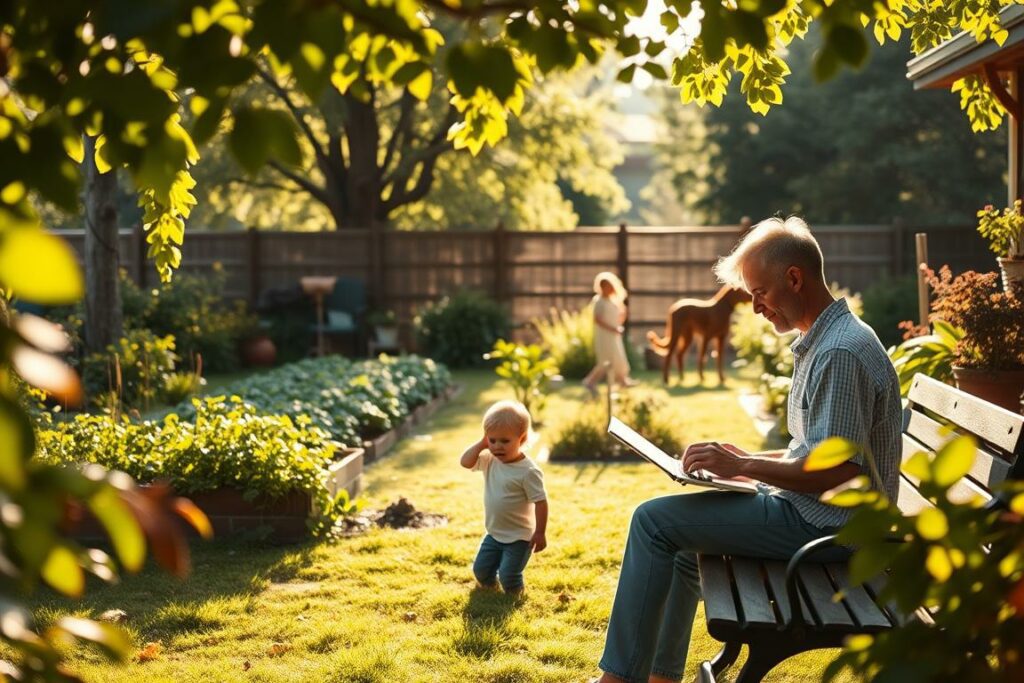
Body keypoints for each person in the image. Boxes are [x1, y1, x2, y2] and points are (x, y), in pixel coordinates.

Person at [594, 216, 902, 683]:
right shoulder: (824, 340)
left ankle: (618, 680)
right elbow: (814, 450)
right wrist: (748, 464)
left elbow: (840, 472)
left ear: (794, 278)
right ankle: (658, 677)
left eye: (760, 292)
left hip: (829, 532)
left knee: (652, 522)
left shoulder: (840, 352)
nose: (755, 307)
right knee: (678, 542)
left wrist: (744, 465)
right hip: (814, 516)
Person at [460, 400, 548, 593]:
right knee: (481, 570)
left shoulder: (528, 471)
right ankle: (490, 588)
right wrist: (483, 443)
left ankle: (514, 596)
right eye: (492, 440)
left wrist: (540, 532)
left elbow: (541, 502)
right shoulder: (491, 460)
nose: (497, 446)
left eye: (505, 441)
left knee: (509, 575)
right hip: (494, 533)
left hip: (519, 537)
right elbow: (465, 462)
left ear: (522, 439)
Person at [583, 271, 637, 397]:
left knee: (618, 358)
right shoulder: (599, 301)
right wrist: (612, 329)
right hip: (604, 336)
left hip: (614, 335)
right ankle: (589, 382)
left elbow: (617, 320)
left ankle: (623, 381)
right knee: (604, 361)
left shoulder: (613, 302)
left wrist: (622, 317)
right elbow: (597, 320)